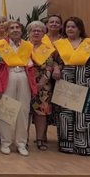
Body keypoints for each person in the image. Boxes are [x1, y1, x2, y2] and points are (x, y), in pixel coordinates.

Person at [52, 16, 90, 156]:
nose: (70, 29)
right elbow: (54, 60)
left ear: (80, 29)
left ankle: (84, 146)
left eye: (73, 26)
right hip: (65, 80)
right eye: (68, 26)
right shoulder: (60, 44)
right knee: (65, 113)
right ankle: (66, 144)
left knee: (84, 113)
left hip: (85, 79)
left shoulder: (89, 44)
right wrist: (56, 69)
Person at [0, 21, 37, 156]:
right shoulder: (0, 46)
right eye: (12, 28)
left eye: (17, 28)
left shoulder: (28, 46)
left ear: (21, 30)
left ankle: (21, 143)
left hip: (23, 77)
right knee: (6, 110)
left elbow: (32, 67)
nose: (15, 30)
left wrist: (34, 87)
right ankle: (5, 142)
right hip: (7, 78)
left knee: (23, 111)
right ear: (7, 31)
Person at [27, 21, 56, 151]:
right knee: (24, 113)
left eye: (39, 30)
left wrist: (40, 84)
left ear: (44, 33)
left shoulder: (48, 50)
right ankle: (23, 140)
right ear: (29, 32)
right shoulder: (23, 47)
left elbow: (49, 68)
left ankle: (40, 139)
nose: (36, 32)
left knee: (41, 113)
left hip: (43, 86)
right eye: (34, 30)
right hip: (25, 84)